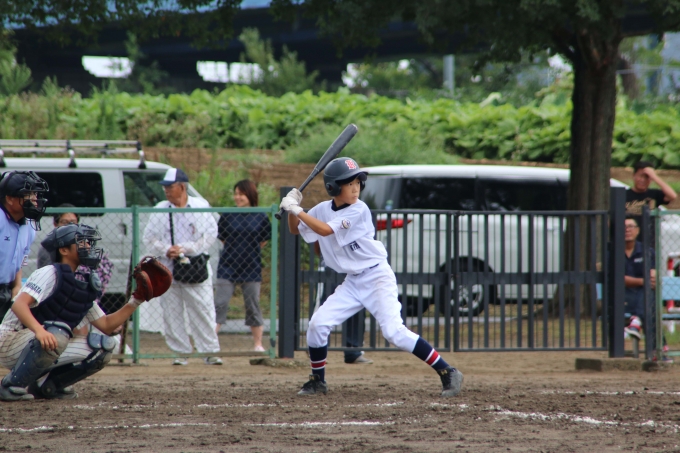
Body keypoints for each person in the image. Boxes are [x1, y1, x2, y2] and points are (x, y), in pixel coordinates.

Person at [280, 157, 463, 397]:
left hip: (376, 276)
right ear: (333, 187)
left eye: (358, 182)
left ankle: (448, 371)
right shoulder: (323, 209)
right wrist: (292, 208)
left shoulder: (359, 209)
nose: (355, 187)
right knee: (317, 325)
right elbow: (295, 229)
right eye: (349, 183)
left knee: (394, 332)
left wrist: (297, 210)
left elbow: (324, 230)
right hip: (353, 281)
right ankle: (317, 380)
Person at [0, 224, 156, 401]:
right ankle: (10, 385)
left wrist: (136, 300)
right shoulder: (49, 272)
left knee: (104, 346)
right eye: (81, 243)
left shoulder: (79, 283)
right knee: (58, 332)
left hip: (41, 341)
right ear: (64, 250)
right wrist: (39, 331)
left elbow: (106, 325)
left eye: (88, 242)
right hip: (10, 340)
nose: (88, 246)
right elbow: (19, 305)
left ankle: (47, 386)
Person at [142, 167, 222, 365]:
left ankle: (210, 351)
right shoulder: (160, 209)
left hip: (195, 266)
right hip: (168, 268)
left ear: (182, 187)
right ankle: (180, 352)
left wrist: (188, 248)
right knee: (172, 312)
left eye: (170, 187)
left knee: (202, 309)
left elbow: (210, 234)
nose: (166, 191)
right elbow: (148, 238)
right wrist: (166, 249)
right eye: (165, 187)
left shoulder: (200, 206)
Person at [215, 180, 271, 351]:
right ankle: (210, 343)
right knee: (220, 303)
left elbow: (263, 241)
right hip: (227, 266)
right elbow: (223, 238)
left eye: (241, 194)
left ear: (250, 195)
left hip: (251, 267)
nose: (237, 197)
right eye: (236, 194)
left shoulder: (261, 216)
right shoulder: (228, 215)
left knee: (253, 305)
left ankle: (258, 344)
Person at [0, 171, 49, 321]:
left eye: (35, 194)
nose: (34, 199)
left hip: (6, 289)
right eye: (28, 194)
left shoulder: (29, 225)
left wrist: (17, 285)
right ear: (9, 198)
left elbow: (20, 259)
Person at [314, 248, 373, 364]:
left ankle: (353, 352)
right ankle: (317, 350)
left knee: (356, 306)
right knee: (323, 305)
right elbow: (317, 242)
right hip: (330, 264)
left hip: (355, 265)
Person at [622, 216, 665, 358]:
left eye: (631, 226)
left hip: (643, 297)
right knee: (649, 304)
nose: (627, 230)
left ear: (638, 230)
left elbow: (653, 275)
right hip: (622, 298)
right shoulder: (612, 251)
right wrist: (643, 281)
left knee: (648, 294)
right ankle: (659, 350)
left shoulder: (647, 251)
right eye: (624, 227)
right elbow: (619, 280)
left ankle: (636, 321)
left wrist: (651, 277)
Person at [625, 161, 677, 239]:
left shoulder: (654, 194)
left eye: (647, 177)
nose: (642, 180)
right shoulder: (624, 195)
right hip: (628, 239)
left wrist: (654, 176)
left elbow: (672, 196)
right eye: (640, 176)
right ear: (634, 176)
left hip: (649, 238)